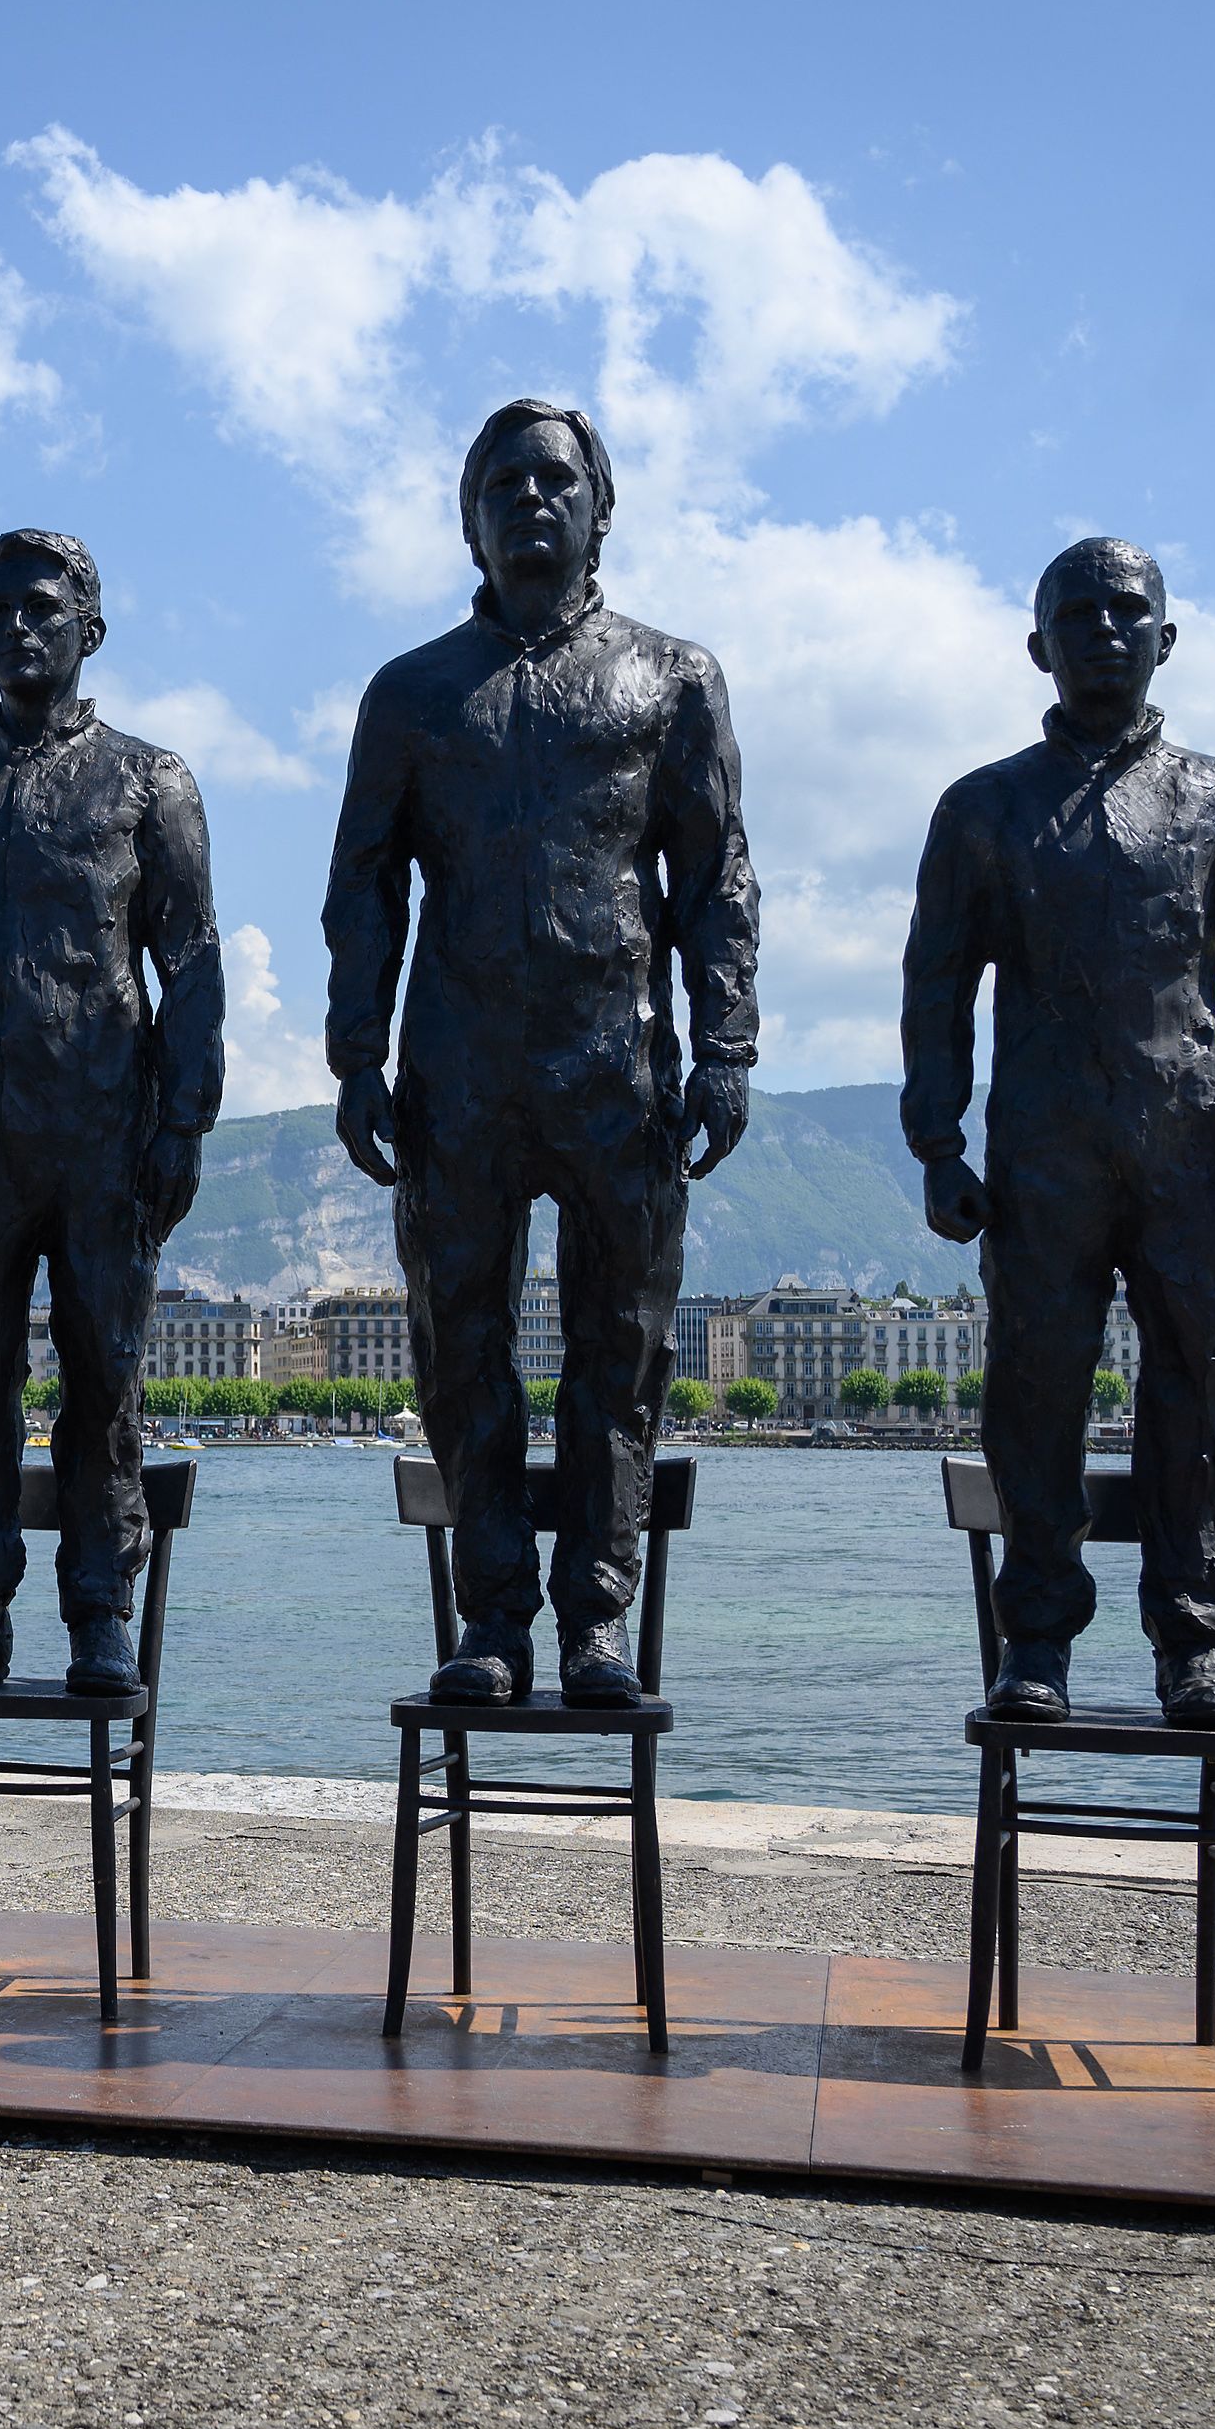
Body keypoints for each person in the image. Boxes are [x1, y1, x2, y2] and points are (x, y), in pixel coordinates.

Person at [322, 399, 760, 1708]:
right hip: (456, 1068)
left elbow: (715, 875)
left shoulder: (673, 677)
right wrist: (357, 1053)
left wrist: (726, 1049)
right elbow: (363, 885)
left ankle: (597, 1622)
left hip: (615, 1064)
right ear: (469, 516)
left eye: (553, 479)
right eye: (501, 482)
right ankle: (492, 1620)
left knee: (618, 1352)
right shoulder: (411, 693)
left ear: (598, 507)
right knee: (460, 1347)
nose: (529, 498)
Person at [901, 538, 1215, 1730]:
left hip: (1190, 1140)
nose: (1102, 629)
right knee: (1031, 1392)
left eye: (1125, 611)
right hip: (1040, 1150)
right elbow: (934, 988)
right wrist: (936, 1145)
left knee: (1203, 1385)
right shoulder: (981, 808)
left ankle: (1196, 1640)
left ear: (1164, 639)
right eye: (1075, 614)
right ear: (1037, 646)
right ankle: (1034, 1635)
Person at [0, 529, 222, 1697]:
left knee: (104, 1373)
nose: (20, 627)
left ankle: (99, 1607)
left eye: (42, 608)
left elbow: (193, 964)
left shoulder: (148, 780)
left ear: (88, 629)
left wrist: (184, 1122)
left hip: (105, 1130)